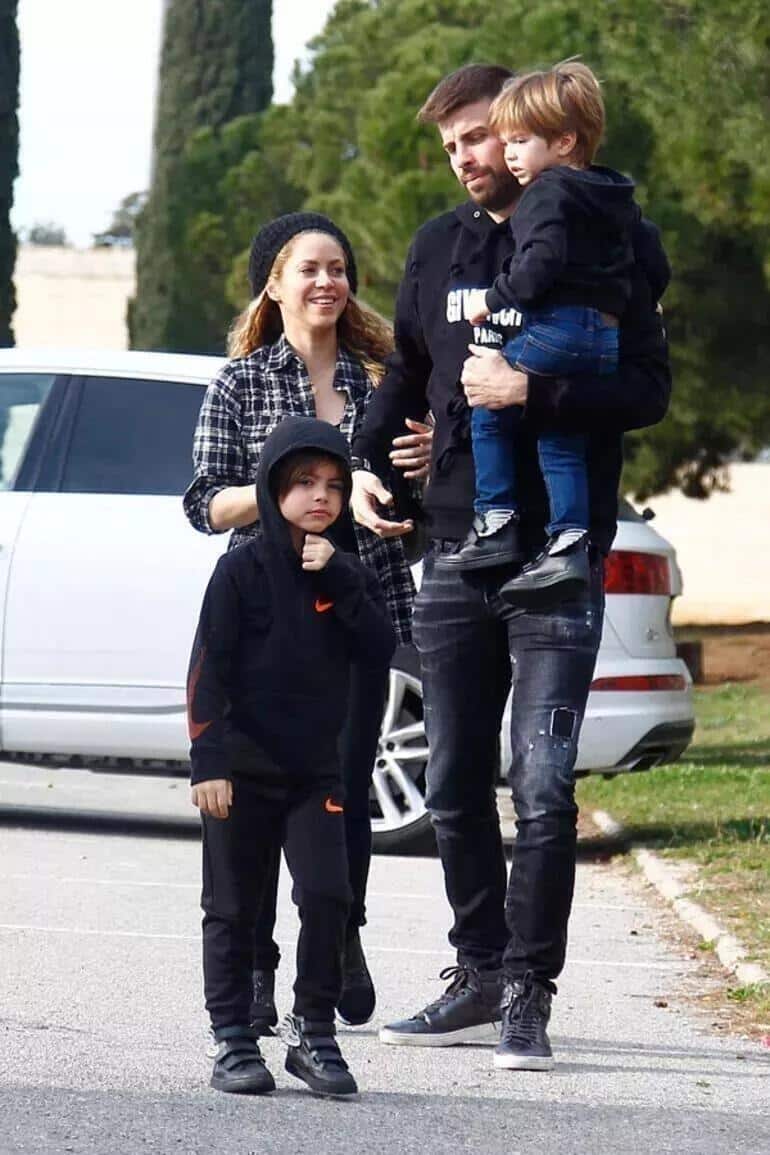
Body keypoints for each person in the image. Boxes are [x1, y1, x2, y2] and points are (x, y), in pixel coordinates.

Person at [349, 64, 671, 1070]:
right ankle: (479, 971)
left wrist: (530, 393)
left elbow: (646, 390)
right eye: (450, 145)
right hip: (453, 550)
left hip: (558, 557)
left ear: (527, 128)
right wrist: (364, 464)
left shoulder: (608, 236)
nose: (466, 157)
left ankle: (530, 990)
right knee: (450, 781)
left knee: (540, 781)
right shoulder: (435, 246)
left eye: (479, 135)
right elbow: (408, 370)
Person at [184, 212, 430, 1033]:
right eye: (310, 268)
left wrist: (410, 481)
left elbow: (415, 490)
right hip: (267, 620)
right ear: (275, 284)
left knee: (344, 790)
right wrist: (302, 489)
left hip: (361, 609)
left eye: (339, 267)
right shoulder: (241, 383)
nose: (328, 281)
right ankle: (257, 967)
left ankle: (338, 935)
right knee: (258, 797)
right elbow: (204, 503)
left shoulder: (383, 380)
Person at [188, 415, 396, 1096]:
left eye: (334, 484)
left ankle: (314, 1032)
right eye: (304, 482)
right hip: (239, 774)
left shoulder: (345, 572)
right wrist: (208, 762)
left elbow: (379, 647)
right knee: (232, 907)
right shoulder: (238, 571)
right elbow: (207, 671)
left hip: (314, 774)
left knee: (330, 895)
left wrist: (341, 577)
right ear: (273, 487)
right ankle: (233, 1039)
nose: (320, 496)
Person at [447, 61, 669, 607]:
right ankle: (568, 542)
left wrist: (494, 299)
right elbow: (657, 267)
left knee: (488, 403)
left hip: (559, 328)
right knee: (560, 434)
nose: (510, 154)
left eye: (519, 141)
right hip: (603, 338)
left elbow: (540, 262)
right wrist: (634, 300)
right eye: (507, 141)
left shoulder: (547, 192)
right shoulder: (618, 202)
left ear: (564, 141)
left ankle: (495, 519)